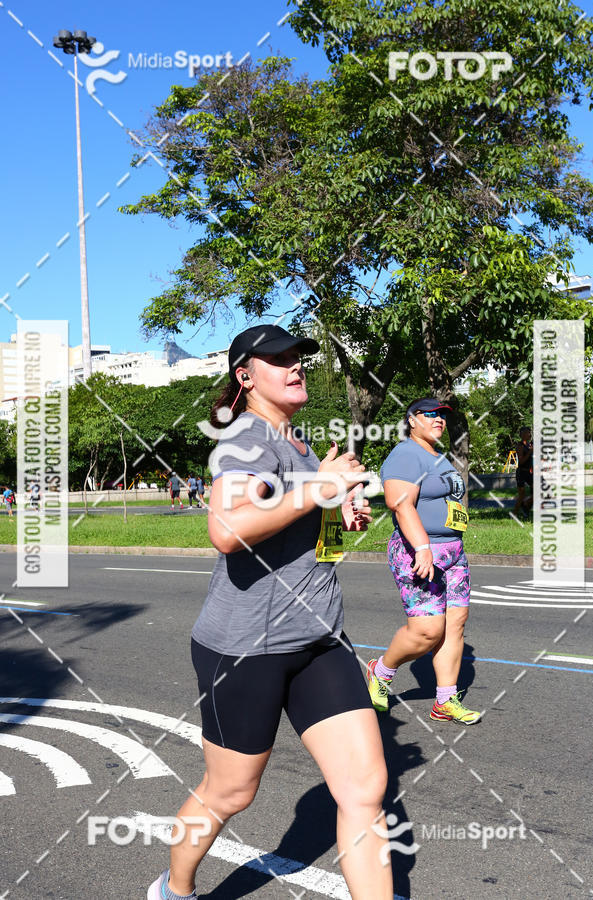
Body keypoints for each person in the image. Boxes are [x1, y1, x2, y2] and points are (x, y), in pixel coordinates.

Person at [147, 324, 392, 900]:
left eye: (298, 356)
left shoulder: (301, 442)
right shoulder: (244, 442)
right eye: (277, 359)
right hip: (244, 648)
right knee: (231, 792)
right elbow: (228, 530)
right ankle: (173, 889)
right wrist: (317, 490)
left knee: (365, 788)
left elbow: (290, 517)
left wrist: (337, 507)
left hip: (318, 639)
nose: (294, 365)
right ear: (245, 376)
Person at [366, 397, 482, 726]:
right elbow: (400, 503)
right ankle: (381, 671)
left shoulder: (438, 456)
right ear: (411, 420)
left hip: (453, 551)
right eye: (429, 414)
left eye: (442, 415)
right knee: (428, 631)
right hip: (419, 551)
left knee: (454, 626)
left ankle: (445, 701)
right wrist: (421, 547)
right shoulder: (406, 453)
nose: (438, 419)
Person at [514, 426, 533, 517]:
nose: (529, 434)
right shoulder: (520, 446)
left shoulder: (529, 445)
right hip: (521, 472)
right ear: (522, 435)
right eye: (527, 432)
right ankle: (514, 514)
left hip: (529, 472)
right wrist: (530, 452)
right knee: (521, 495)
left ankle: (526, 505)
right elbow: (521, 461)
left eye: (529, 432)